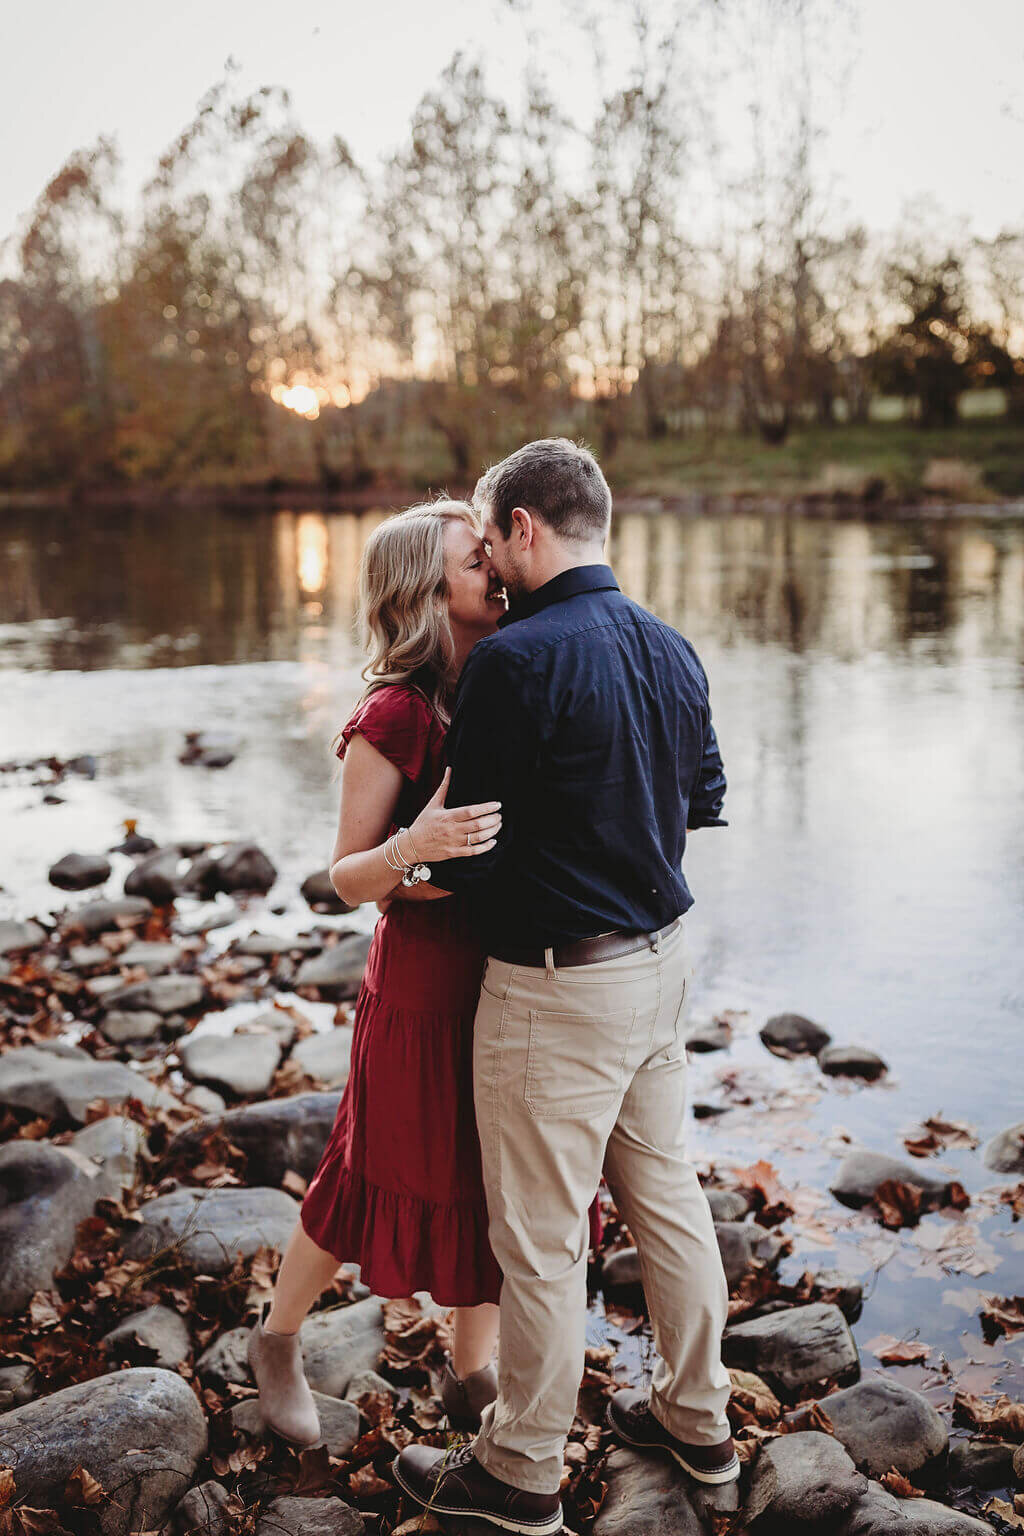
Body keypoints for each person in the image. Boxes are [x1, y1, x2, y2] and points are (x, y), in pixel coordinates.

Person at [394, 440, 739, 1535]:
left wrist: (417, 858)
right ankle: (698, 1419)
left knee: (541, 1238)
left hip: (557, 989)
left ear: (528, 528)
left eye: (492, 535)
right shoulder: (672, 646)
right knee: (668, 1199)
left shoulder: (512, 659)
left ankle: (523, 1468)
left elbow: (464, 845)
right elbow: (701, 799)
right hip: (661, 963)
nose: (486, 557)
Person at [248, 500, 510, 1446]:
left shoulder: (513, 678)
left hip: (510, 974)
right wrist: (418, 844)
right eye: (475, 556)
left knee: (495, 1179)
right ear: (426, 591)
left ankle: (472, 1372)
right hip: (419, 989)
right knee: (363, 1170)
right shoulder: (396, 712)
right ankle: (277, 1342)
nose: (497, 564)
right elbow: (348, 876)